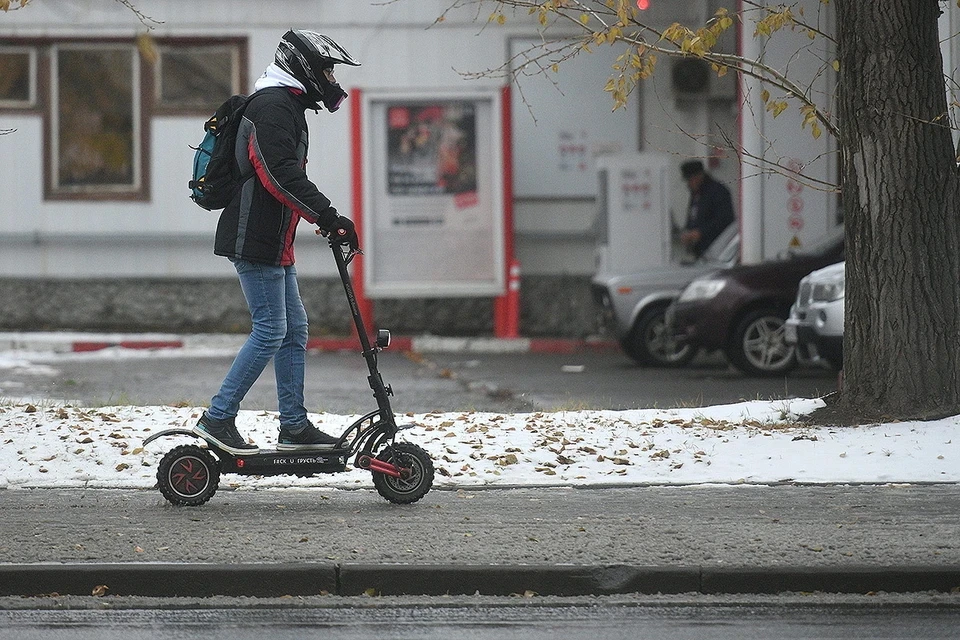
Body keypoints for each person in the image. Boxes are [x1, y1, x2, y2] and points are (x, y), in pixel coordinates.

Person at [194, 30, 361, 455]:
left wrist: (321, 218)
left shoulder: (286, 104)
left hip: (271, 239)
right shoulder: (272, 106)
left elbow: (280, 174)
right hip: (255, 237)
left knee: (293, 330)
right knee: (271, 330)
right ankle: (217, 418)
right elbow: (277, 172)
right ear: (302, 65)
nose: (330, 77)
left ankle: (294, 425)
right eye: (326, 68)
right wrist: (327, 216)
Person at [679, 160, 736, 259]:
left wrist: (701, 232)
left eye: (690, 180)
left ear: (699, 176)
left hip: (717, 248)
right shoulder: (696, 194)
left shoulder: (718, 192)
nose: (688, 184)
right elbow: (693, 216)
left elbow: (724, 219)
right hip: (700, 250)